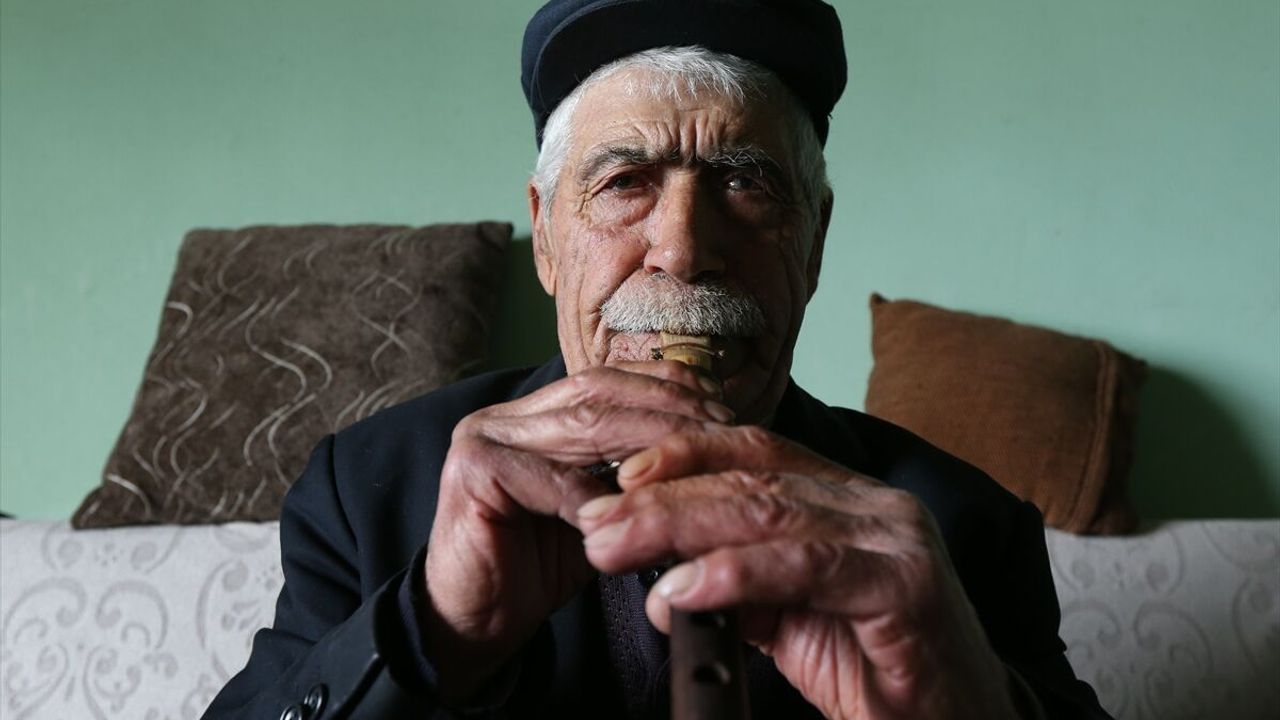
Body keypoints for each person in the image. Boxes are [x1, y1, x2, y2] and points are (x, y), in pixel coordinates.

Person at [204, 1, 1113, 718]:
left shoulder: (962, 526)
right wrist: (429, 626)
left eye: (745, 183)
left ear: (815, 243)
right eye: (624, 183)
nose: (681, 249)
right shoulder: (368, 489)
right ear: (546, 238)